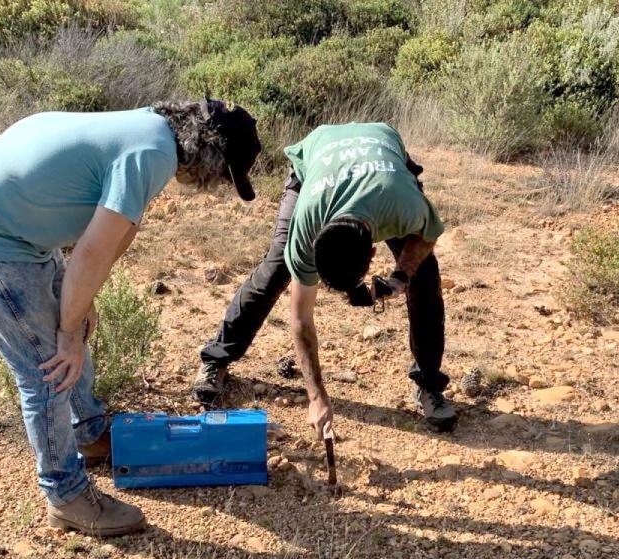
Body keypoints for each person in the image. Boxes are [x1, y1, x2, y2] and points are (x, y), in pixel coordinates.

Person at [0, 99, 261, 536]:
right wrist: (68, 330)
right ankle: (66, 496)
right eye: (222, 176)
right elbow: (90, 252)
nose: (211, 186)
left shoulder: (149, 129)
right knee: (48, 368)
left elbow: (114, 234)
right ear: (211, 156)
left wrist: (82, 304)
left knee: (73, 331)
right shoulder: (151, 154)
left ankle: (88, 434)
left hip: (13, 223)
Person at [192, 122, 454, 437]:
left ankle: (428, 384)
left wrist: (401, 276)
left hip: (382, 162)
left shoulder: (401, 204)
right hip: (316, 165)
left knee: (424, 276)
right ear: (314, 248)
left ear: (373, 251)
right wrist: (316, 396)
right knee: (275, 270)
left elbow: (426, 236)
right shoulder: (306, 227)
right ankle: (216, 358)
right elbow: (301, 319)